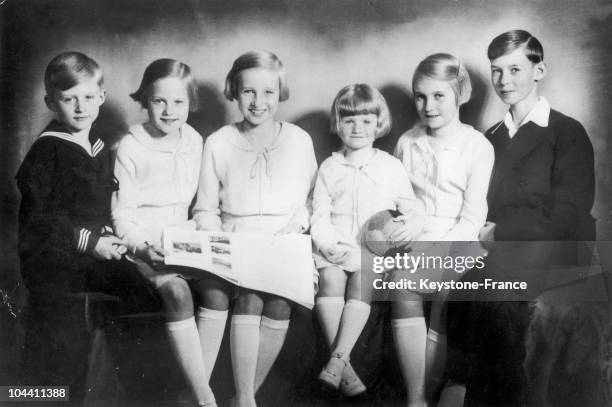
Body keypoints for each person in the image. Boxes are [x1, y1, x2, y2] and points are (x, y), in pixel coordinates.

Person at [443, 30, 596, 407]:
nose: (504, 81)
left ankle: (476, 392)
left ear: (538, 69)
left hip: (557, 251)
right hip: (498, 250)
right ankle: (462, 387)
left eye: (515, 69)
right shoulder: (489, 138)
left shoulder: (566, 131)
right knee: (461, 280)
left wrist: (501, 232)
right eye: (496, 71)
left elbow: (569, 210)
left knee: (493, 288)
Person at [192, 50, 318, 407]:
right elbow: (205, 208)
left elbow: (312, 199)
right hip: (236, 239)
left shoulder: (298, 140)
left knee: (279, 303)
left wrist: (297, 226)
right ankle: (246, 399)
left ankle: (242, 396)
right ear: (234, 91)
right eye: (249, 92)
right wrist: (219, 239)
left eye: (268, 92)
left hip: (285, 238)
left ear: (280, 93)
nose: (258, 102)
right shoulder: (218, 142)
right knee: (249, 296)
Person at [15, 51, 130, 403]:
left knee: (140, 294)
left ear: (102, 98)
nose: (80, 107)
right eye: (68, 99)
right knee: (57, 350)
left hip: (86, 257)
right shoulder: (46, 152)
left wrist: (106, 235)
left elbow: (93, 205)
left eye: (88, 97)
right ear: (51, 101)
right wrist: (91, 241)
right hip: (52, 262)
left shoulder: (95, 146)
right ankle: (39, 400)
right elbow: (43, 218)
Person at [111, 58, 217, 407]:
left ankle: (194, 388)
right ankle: (205, 398)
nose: (169, 111)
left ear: (191, 104)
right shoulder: (130, 146)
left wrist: (208, 239)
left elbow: (201, 204)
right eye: (159, 101)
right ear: (145, 100)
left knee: (221, 291)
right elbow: (121, 217)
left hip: (185, 236)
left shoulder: (195, 140)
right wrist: (142, 249)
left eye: (179, 102)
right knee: (178, 292)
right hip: (142, 241)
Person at [392, 53, 494, 406]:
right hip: (415, 238)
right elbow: (399, 198)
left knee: (448, 294)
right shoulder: (407, 142)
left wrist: (438, 247)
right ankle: (416, 397)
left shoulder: (476, 146)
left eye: (438, 96)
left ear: (460, 95)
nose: (428, 105)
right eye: (420, 96)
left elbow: (472, 217)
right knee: (403, 285)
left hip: (460, 240)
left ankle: (446, 391)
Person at [311, 83, 424, 398]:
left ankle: (337, 359)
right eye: (349, 120)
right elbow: (318, 214)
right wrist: (325, 242)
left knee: (364, 278)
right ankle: (345, 370)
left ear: (379, 123)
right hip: (335, 246)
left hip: (370, 253)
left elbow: (411, 207)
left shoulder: (390, 165)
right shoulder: (330, 167)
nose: (357, 127)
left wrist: (410, 224)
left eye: (365, 120)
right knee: (330, 278)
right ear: (338, 124)